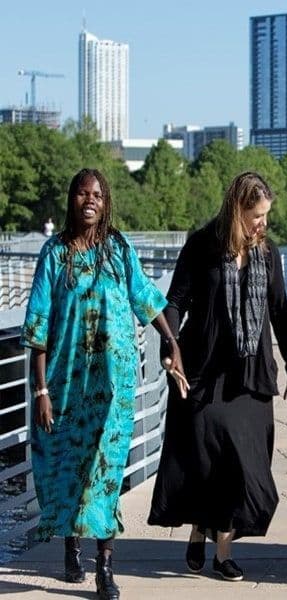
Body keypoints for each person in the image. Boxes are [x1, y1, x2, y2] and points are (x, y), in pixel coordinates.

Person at [21, 168, 187, 600]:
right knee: (67, 470)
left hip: (114, 389)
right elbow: (37, 328)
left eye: (96, 193)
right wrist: (40, 391)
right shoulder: (54, 254)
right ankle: (72, 547)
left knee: (106, 474)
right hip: (65, 385)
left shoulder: (118, 249)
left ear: (106, 199)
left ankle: (105, 569)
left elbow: (146, 298)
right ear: (71, 200)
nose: (89, 200)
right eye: (81, 193)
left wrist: (172, 343)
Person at [147, 171, 287, 582]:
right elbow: (174, 302)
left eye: (266, 216)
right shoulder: (202, 246)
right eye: (255, 216)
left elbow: (280, 313)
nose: (262, 224)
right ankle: (207, 539)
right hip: (203, 373)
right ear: (235, 211)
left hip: (251, 378)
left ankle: (219, 546)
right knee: (208, 461)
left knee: (245, 468)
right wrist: (170, 347)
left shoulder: (269, 254)